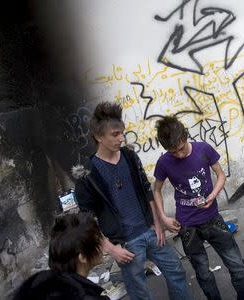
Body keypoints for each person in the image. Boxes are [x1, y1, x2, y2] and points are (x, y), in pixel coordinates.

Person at [73, 102, 191, 300]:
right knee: (139, 292)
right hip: (125, 244)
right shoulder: (88, 174)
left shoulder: (129, 156)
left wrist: (157, 224)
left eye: (122, 133)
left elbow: (147, 190)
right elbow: (87, 220)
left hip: (150, 231)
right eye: (115, 134)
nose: (121, 138)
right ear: (98, 136)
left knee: (176, 270)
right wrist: (111, 248)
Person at [153, 116, 244, 300]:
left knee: (237, 265)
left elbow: (221, 175)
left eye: (181, 148)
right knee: (204, 274)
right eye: (173, 152)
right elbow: (156, 190)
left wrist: (212, 195)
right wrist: (164, 218)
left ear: (185, 136)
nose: (179, 155)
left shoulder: (203, 149)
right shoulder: (164, 162)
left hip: (212, 218)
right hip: (187, 226)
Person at [13, 212, 110, 300]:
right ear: (83, 257)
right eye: (98, 241)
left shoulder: (37, 285)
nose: (103, 243)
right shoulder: (85, 296)